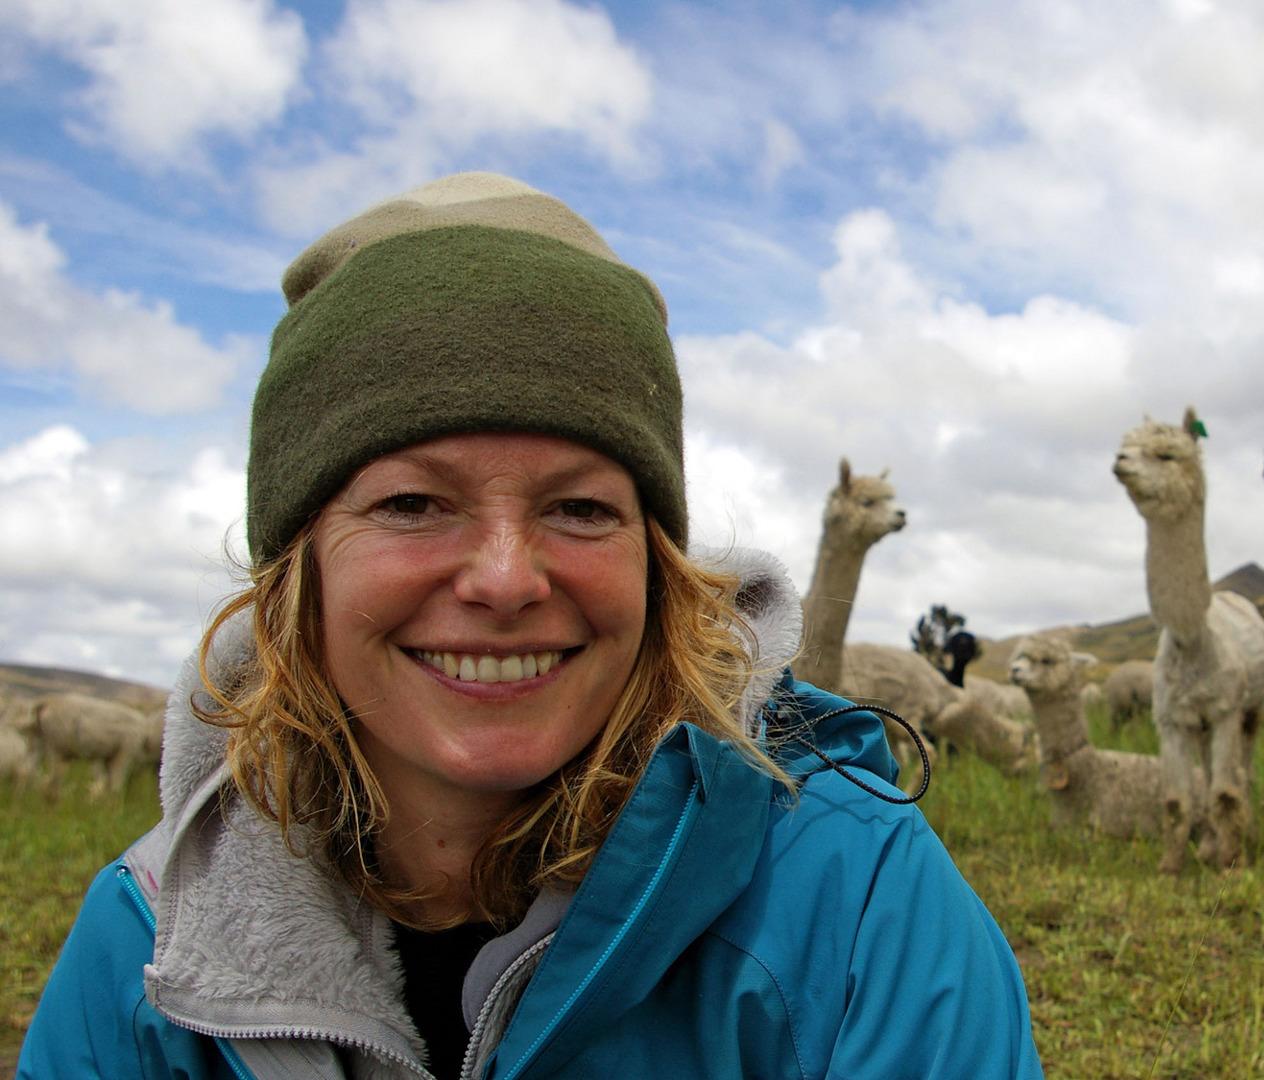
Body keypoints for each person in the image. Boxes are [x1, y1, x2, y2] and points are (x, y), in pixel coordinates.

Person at [20, 173, 1043, 1079]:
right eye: (412, 503)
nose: (507, 580)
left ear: (657, 563)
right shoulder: (148, 944)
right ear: (300, 564)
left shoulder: (860, 906)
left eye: (581, 508)